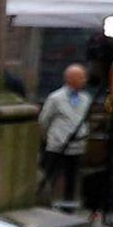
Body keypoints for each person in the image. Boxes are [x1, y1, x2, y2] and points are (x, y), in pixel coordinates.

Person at [36, 64, 97, 210]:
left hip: (77, 146)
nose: (84, 80)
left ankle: (68, 207)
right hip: (57, 144)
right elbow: (44, 120)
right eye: (81, 77)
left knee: (72, 178)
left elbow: (86, 119)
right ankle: (45, 202)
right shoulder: (56, 98)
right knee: (51, 175)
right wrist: (49, 138)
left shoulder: (86, 98)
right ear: (70, 79)